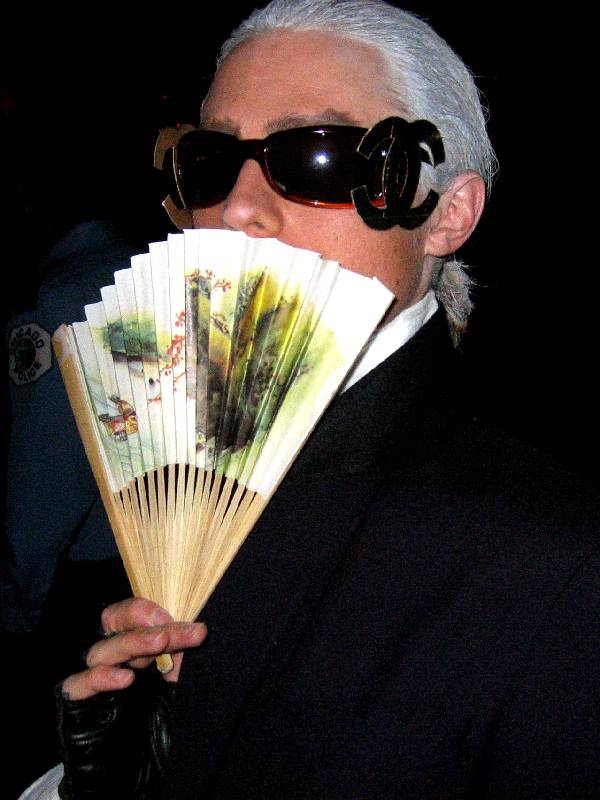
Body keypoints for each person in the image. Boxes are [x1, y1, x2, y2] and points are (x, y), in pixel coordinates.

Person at [44, 1, 600, 798]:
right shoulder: (181, 460)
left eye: (316, 156)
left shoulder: (559, 560)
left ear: (448, 215)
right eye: (211, 159)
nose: (237, 207)